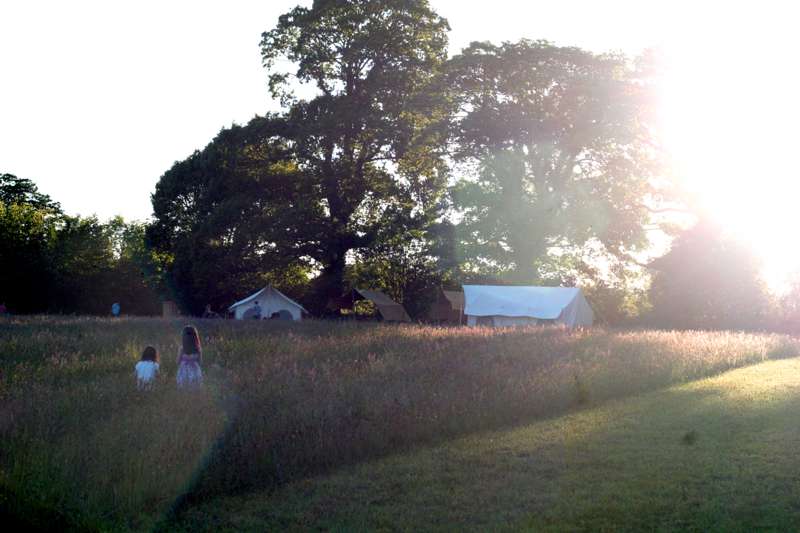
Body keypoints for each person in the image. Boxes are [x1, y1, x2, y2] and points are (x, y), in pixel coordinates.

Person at [176, 325, 203, 389]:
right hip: (195, 370)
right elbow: (200, 362)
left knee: (183, 387)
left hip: (183, 371)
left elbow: (177, 361)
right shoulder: (198, 349)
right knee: (195, 387)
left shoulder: (182, 349)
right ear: (195, 337)